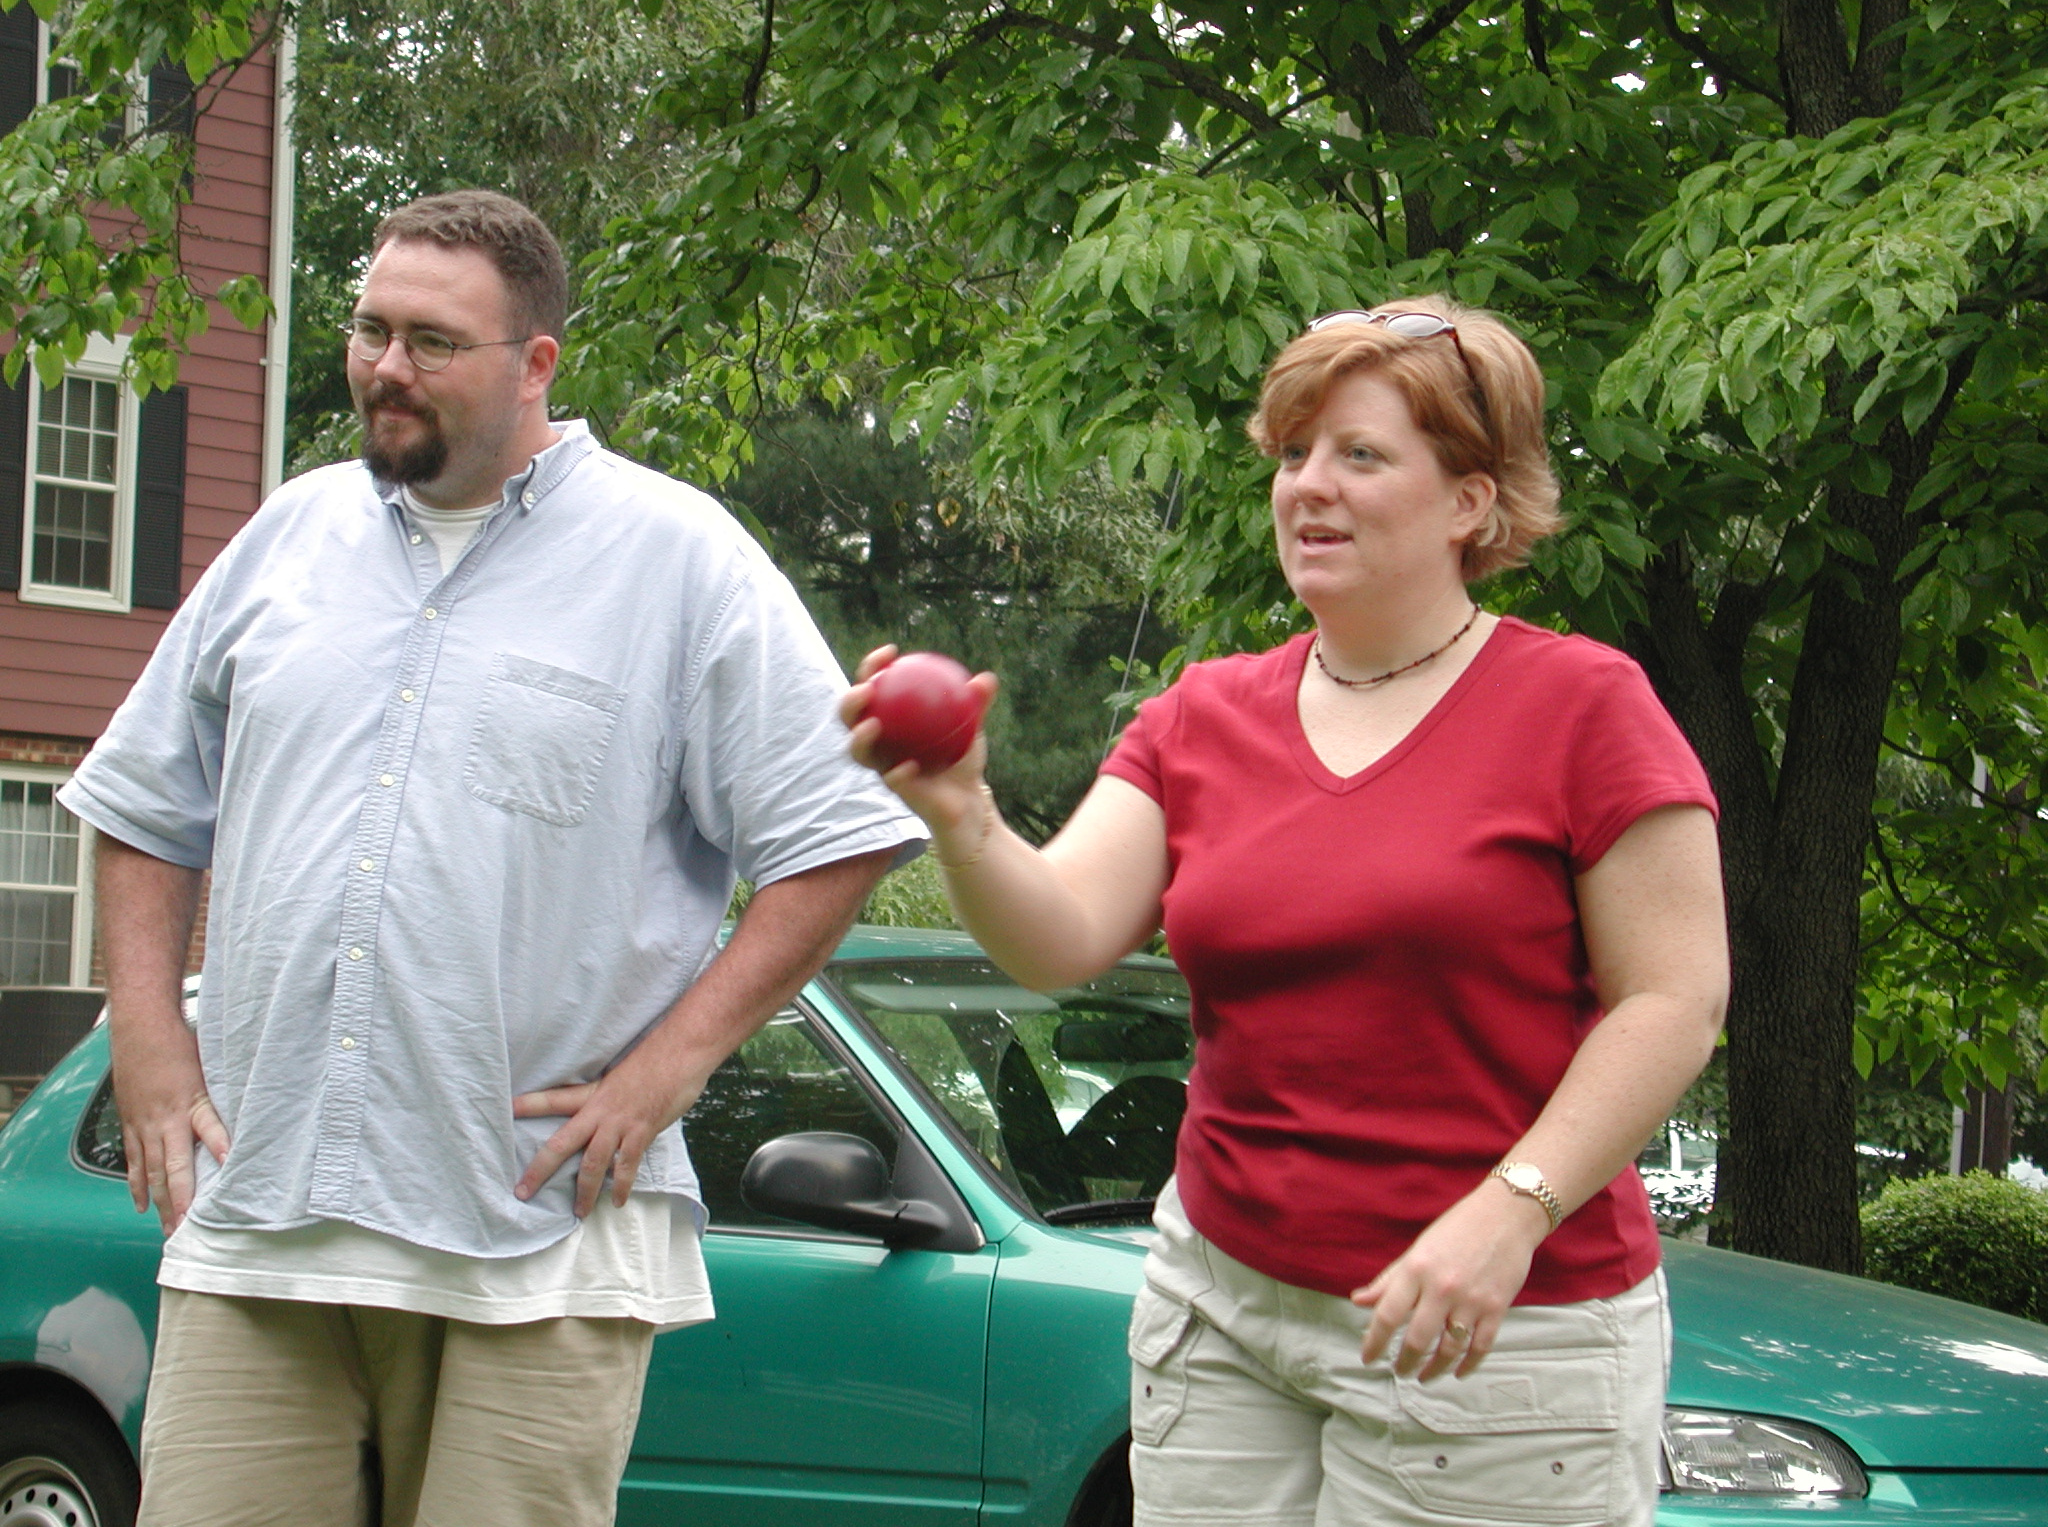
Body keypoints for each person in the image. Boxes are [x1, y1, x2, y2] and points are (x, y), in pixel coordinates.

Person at [61, 190, 924, 1527]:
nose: (386, 367)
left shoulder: (676, 560)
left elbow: (838, 833)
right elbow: (143, 801)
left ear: (536, 364)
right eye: (370, 330)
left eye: (432, 342)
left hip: (540, 1237)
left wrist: (671, 1067)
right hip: (261, 1215)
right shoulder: (290, 535)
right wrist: (147, 1039)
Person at [844, 298, 1728, 1526]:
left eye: (1360, 455)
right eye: (1294, 452)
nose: (1309, 485)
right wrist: (964, 816)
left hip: (1491, 1326)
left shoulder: (1583, 706)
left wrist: (1507, 1212)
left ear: (1469, 501)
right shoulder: (1200, 716)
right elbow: (1057, 939)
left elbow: (1672, 1000)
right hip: (1222, 1307)